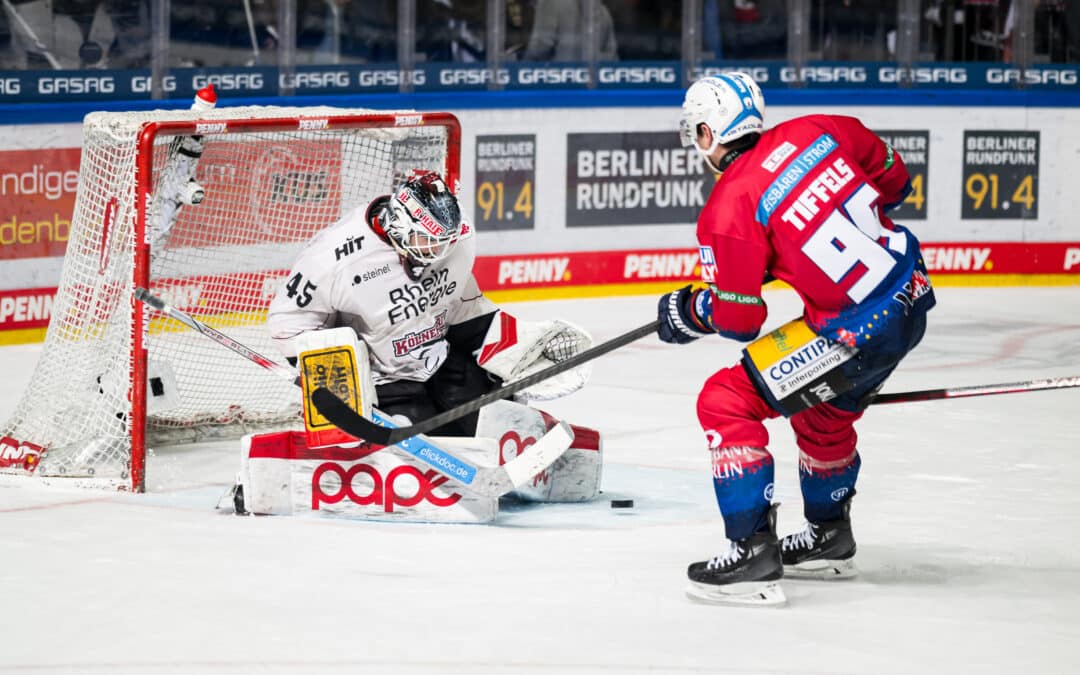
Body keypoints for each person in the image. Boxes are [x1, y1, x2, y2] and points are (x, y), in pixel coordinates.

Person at [657, 73, 935, 606]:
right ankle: (830, 537)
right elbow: (897, 182)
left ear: (710, 133)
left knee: (725, 401)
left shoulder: (728, 206)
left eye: (696, 133)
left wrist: (690, 309)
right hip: (911, 296)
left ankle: (751, 553)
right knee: (820, 411)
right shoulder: (822, 128)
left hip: (851, 333)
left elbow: (739, 321)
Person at [267, 171, 590, 439]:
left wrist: (513, 347)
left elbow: (461, 304)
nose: (438, 251)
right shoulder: (333, 260)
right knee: (422, 448)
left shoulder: (458, 237)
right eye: (428, 241)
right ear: (399, 224)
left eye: (444, 242)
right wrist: (341, 378)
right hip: (383, 380)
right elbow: (288, 322)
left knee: (504, 427)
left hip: (442, 359)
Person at [524, 0, 618, 61]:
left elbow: (540, 48)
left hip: (560, 84)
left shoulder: (549, 3)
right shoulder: (603, 10)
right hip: (592, 84)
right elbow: (612, 56)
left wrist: (519, 70)